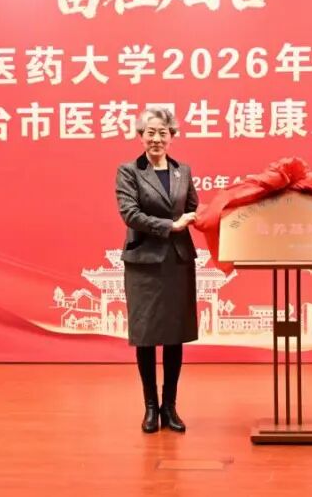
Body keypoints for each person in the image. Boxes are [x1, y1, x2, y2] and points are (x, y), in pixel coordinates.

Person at [115, 108, 199, 433]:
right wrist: (170, 225)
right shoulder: (129, 171)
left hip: (177, 262)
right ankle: (150, 407)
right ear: (141, 136)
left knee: (175, 336)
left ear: (171, 136)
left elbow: (193, 208)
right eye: (150, 132)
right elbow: (130, 213)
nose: (156, 139)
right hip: (144, 264)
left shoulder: (183, 171)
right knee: (147, 336)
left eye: (163, 132)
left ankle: (170, 407)